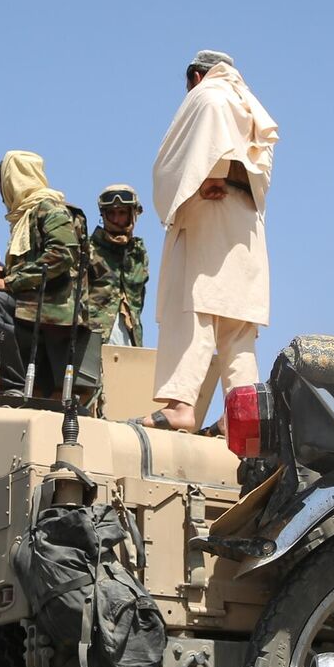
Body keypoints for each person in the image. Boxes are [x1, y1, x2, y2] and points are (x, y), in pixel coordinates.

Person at [144, 50, 278, 433]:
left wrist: (213, 174)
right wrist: (230, 176)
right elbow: (259, 168)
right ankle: (241, 419)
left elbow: (206, 145)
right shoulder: (248, 104)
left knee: (194, 309)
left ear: (195, 77)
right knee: (237, 329)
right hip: (246, 224)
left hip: (209, 214)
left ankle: (180, 405)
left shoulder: (209, 95)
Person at [0, 151, 99, 399]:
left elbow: (62, 255)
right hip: (27, 306)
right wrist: (8, 272)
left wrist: (9, 282)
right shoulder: (24, 218)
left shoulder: (50, 210)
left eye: (4, 188)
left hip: (50, 311)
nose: (2, 198)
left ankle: (14, 387)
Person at [86, 184, 150, 347]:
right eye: (112, 213)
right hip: (93, 339)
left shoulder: (138, 255)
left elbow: (139, 301)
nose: (116, 219)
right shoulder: (88, 250)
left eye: (122, 213)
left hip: (131, 339)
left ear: (132, 214)